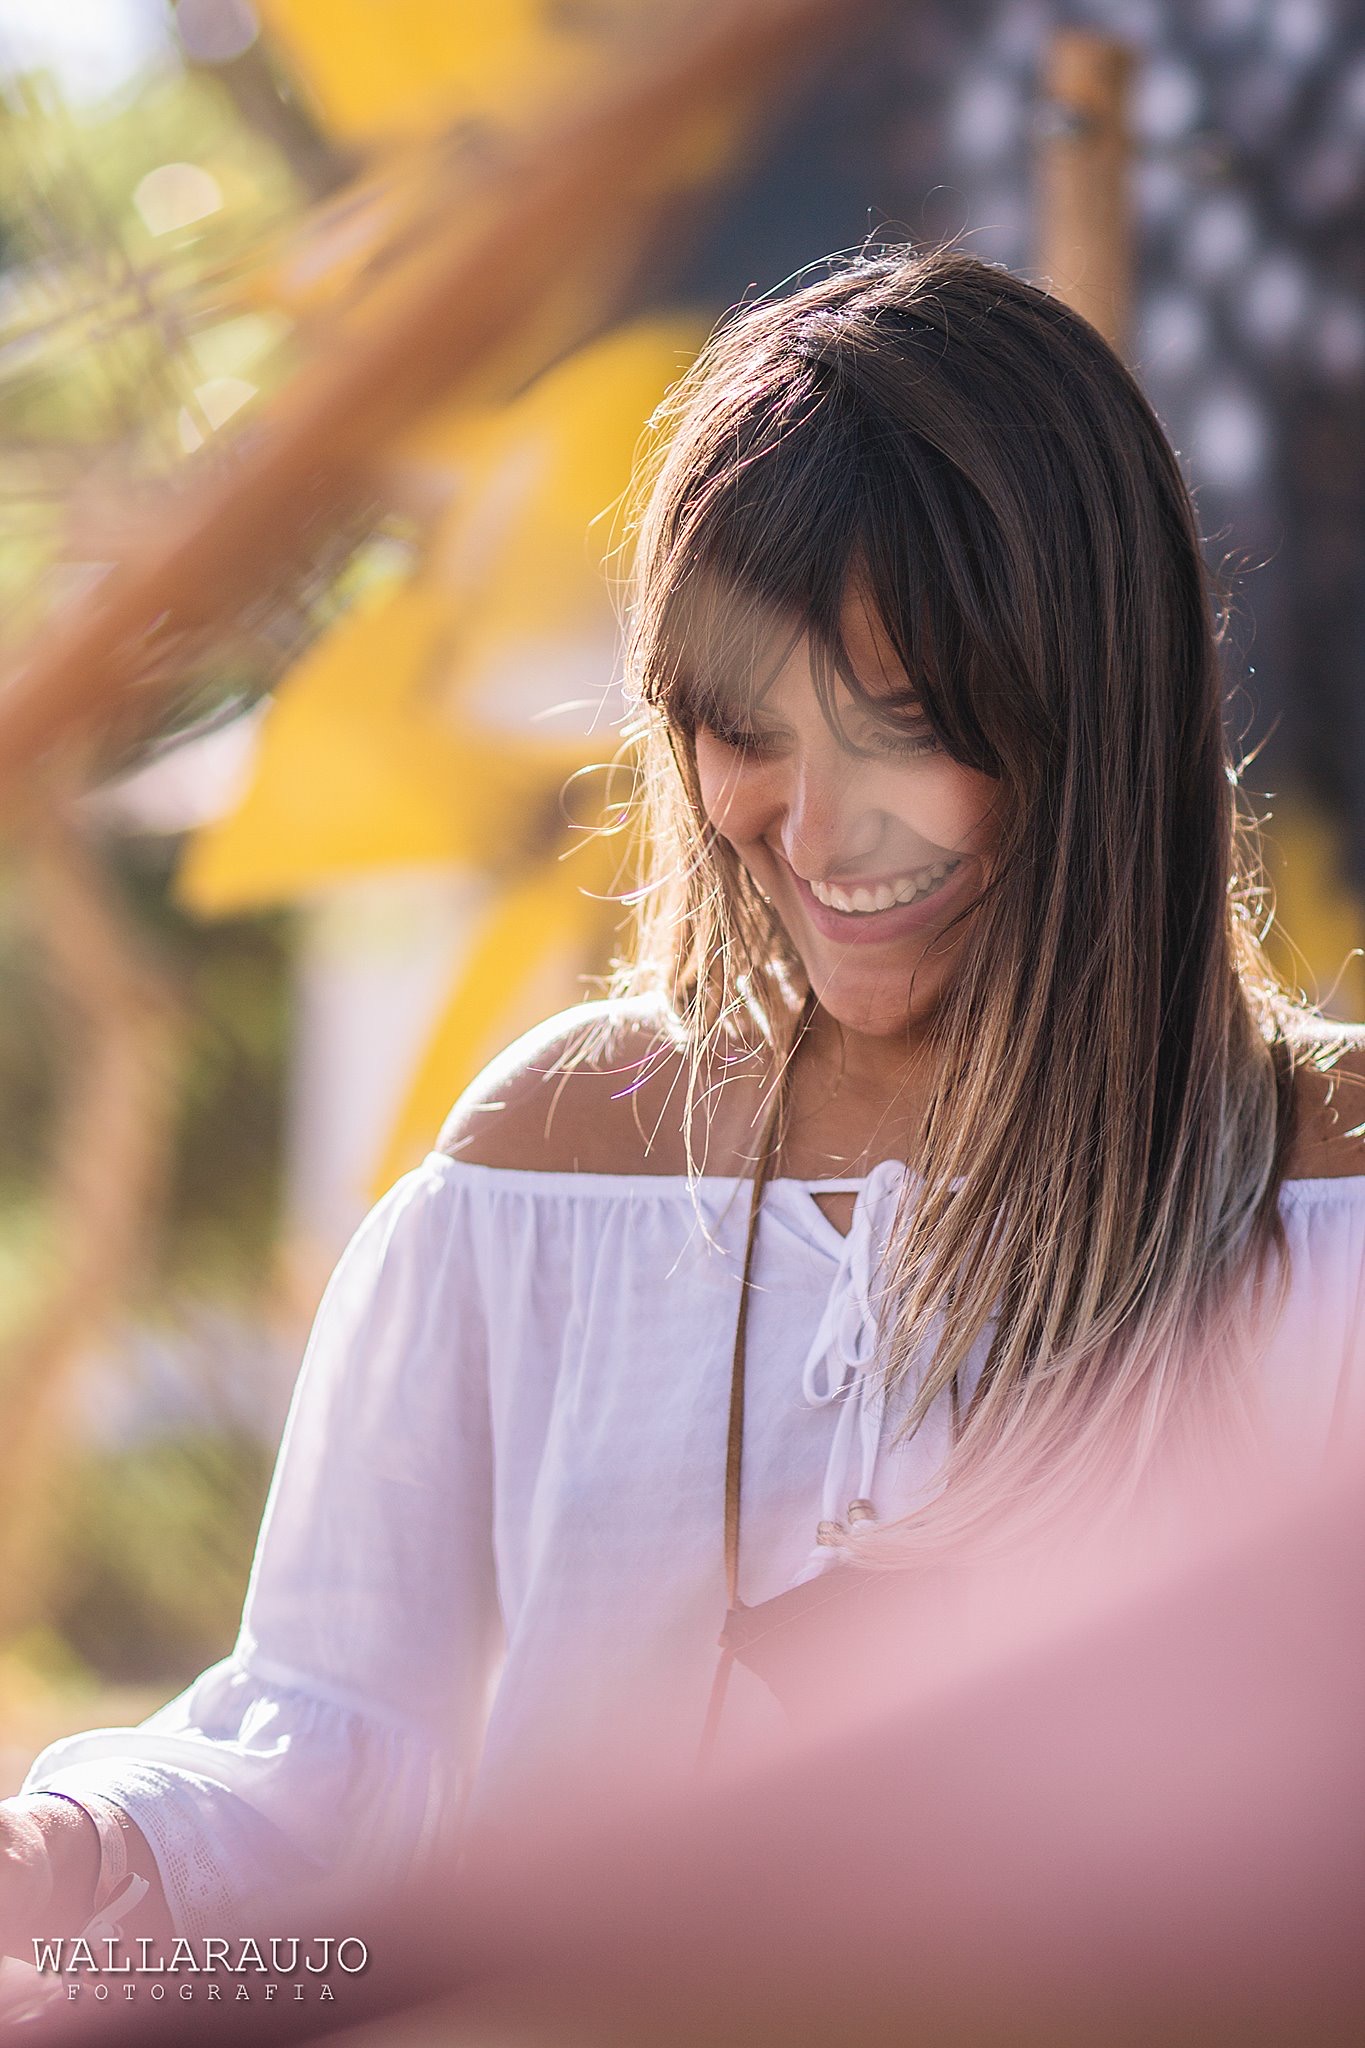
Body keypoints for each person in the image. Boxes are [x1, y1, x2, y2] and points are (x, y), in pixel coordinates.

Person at [3, 245, 1364, 1956]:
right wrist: (70, 1845)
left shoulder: (1326, 1200)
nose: (817, 825)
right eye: (745, 731)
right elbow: (322, 1747)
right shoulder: (547, 1170)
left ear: (1092, 707)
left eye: (903, 725)